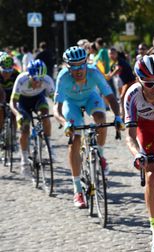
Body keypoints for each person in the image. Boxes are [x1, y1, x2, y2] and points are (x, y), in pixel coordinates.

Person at [53, 46, 124, 208]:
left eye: (81, 65)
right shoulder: (63, 77)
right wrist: (65, 124)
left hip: (90, 97)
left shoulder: (94, 72)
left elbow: (111, 97)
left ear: (86, 63)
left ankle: (100, 154)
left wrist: (118, 117)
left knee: (100, 118)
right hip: (71, 104)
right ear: (67, 67)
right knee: (75, 137)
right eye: (74, 66)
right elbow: (56, 109)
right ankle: (77, 190)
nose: (78, 70)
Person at [124, 55, 154, 252]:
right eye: (149, 84)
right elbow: (130, 136)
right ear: (138, 80)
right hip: (146, 130)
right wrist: (136, 155)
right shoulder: (132, 95)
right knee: (152, 174)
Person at [10, 59, 55, 177]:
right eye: (35, 79)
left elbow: (56, 100)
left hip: (38, 99)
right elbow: (13, 102)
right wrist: (18, 114)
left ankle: (48, 144)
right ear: (29, 76)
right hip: (23, 102)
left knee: (45, 116)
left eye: (41, 79)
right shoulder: (21, 79)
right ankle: (24, 159)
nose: (38, 82)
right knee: (25, 129)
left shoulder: (48, 80)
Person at [107, 47, 136, 118]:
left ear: (116, 54)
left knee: (122, 97)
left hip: (131, 82)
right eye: (110, 54)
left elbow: (117, 69)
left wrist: (110, 76)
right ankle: (124, 114)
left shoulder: (119, 61)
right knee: (123, 97)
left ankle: (124, 116)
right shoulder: (114, 62)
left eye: (113, 53)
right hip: (125, 83)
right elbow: (111, 71)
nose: (111, 55)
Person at [0, 53, 20, 139]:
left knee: (14, 114)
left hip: (13, 94)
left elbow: (20, 91)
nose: (6, 74)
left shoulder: (16, 74)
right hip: (1, 93)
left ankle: (14, 135)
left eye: (9, 71)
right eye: (4, 71)